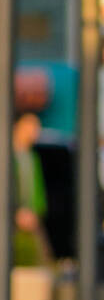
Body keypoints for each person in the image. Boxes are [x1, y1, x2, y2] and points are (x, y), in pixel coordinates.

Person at [12, 113, 52, 267]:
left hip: (30, 217)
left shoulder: (32, 157)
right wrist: (16, 212)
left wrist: (35, 212)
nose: (35, 132)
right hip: (12, 216)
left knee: (41, 258)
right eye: (31, 126)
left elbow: (37, 190)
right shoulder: (7, 154)